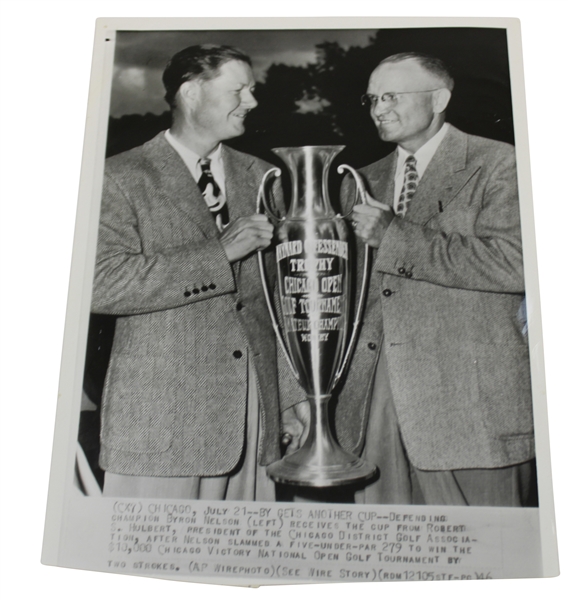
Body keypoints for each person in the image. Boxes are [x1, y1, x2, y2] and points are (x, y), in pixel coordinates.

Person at [334, 52, 535, 506]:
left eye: (391, 96)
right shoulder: (361, 180)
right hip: (376, 408)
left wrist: (396, 237)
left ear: (439, 98)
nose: (378, 108)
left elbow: (516, 263)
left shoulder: (501, 163)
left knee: (488, 557)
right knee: (386, 557)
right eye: (371, 98)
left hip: (473, 407)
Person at [91, 44, 289, 500]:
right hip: (160, 424)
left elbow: (277, 304)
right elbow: (99, 284)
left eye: (253, 91)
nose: (253, 102)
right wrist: (218, 254)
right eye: (239, 89)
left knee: (243, 563)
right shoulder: (118, 176)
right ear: (191, 93)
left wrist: (293, 402)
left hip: (253, 420)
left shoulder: (264, 178)